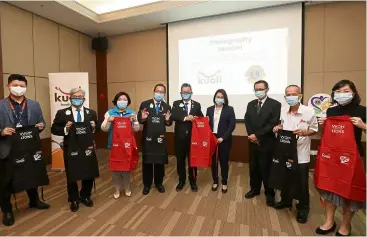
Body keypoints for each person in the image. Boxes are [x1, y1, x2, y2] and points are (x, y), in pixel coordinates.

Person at [315, 80, 366, 236]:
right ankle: (329, 221)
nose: (341, 94)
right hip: (332, 157)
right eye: (338, 91)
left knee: (349, 191)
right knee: (329, 189)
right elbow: (329, 135)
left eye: (345, 91)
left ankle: (346, 225)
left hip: (353, 158)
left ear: (354, 93)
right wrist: (324, 125)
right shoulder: (331, 111)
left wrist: (363, 126)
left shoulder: (362, 110)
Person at [0, 74, 50, 226]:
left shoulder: (34, 105)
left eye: (22, 86)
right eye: (15, 85)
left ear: (26, 87)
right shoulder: (1, 105)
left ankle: (34, 200)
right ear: (9, 86)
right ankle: (7, 211)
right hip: (7, 148)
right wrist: (1, 131)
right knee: (5, 182)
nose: (18, 88)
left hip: (28, 146)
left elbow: (41, 121)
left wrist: (41, 126)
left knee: (31, 175)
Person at [272, 85, 318, 224]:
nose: (290, 96)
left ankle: (303, 208)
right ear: (285, 97)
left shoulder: (309, 111)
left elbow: (314, 129)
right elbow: (281, 127)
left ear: (300, 96)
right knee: (285, 177)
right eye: (288, 94)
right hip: (285, 151)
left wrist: (305, 132)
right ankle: (286, 201)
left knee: (301, 182)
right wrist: (277, 128)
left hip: (301, 153)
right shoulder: (283, 111)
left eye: (294, 94)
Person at [51, 87, 100, 212]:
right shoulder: (62, 113)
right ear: (70, 98)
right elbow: (54, 129)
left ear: (84, 99)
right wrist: (65, 129)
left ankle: (85, 196)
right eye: (75, 97)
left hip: (87, 147)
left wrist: (95, 127)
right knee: (72, 174)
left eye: (80, 97)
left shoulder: (91, 113)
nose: (77, 99)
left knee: (88, 172)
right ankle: (73, 198)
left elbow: (97, 128)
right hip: (71, 148)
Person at [244, 80, 281, 206]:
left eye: (261, 89)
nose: (258, 91)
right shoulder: (250, 104)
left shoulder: (275, 104)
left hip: (267, 142)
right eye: (256, 89)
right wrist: (251, 135)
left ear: (267, 89)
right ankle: (254, 189)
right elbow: (247, 120)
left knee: (267, 169)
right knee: (253, 168)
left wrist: (257, 135)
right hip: (252, 142)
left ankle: (269, 193)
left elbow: (273, 122)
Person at [101, 92, 140, 199]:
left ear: (128, 102)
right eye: (120, 99)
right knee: (116, 168)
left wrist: (135, 121)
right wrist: (109, 121)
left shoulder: (132, 113)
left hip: (127, 145)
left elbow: (136, 129)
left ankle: (127, 187)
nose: (122, 101)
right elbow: (104, 129)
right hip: (114, 145)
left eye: (125, 99)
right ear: (116, 101)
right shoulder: (110, 113)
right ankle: (117, 189)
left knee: (127, 168)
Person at [138, 84, 172, 195]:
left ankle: (159, 183)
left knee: (159, 163)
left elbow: (169, 123)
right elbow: (140, 119)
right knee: (147, 163)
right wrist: (142, 117)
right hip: (148, 139)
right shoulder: (145, 104)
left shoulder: (167, 107)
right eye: (158, 91)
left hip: (160, 139)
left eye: (162, 92)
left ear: (164, 94)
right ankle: (147, 185)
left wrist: (167, 120)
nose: (159, 93)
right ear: (154, 92)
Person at [171, 83, 203, 192]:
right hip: (179, 138)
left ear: (191, 93)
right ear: (180, 93)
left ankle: (193, 181)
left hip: (193, 138)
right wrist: (185, 118)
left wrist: (199, 118)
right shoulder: (176, 103)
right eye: (183, 92)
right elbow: (173, 116)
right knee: (180, 160)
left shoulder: (197, 105)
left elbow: (201, 118)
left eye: (187, 92)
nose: (185, 94)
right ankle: (181, 180)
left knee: (192, 161)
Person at [206, 89, 236, 193]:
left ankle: (224, 182)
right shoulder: (209, 109)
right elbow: (207, 125)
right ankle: (215, 181)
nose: (219, 99)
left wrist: (223, 137)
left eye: (221, 97)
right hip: (212, 139)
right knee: (213, 162)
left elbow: (232, 125)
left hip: (224, 139)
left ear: (224, 99)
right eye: (217, 96)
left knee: (224, 162)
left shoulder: (229, 109)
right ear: (214, 97)